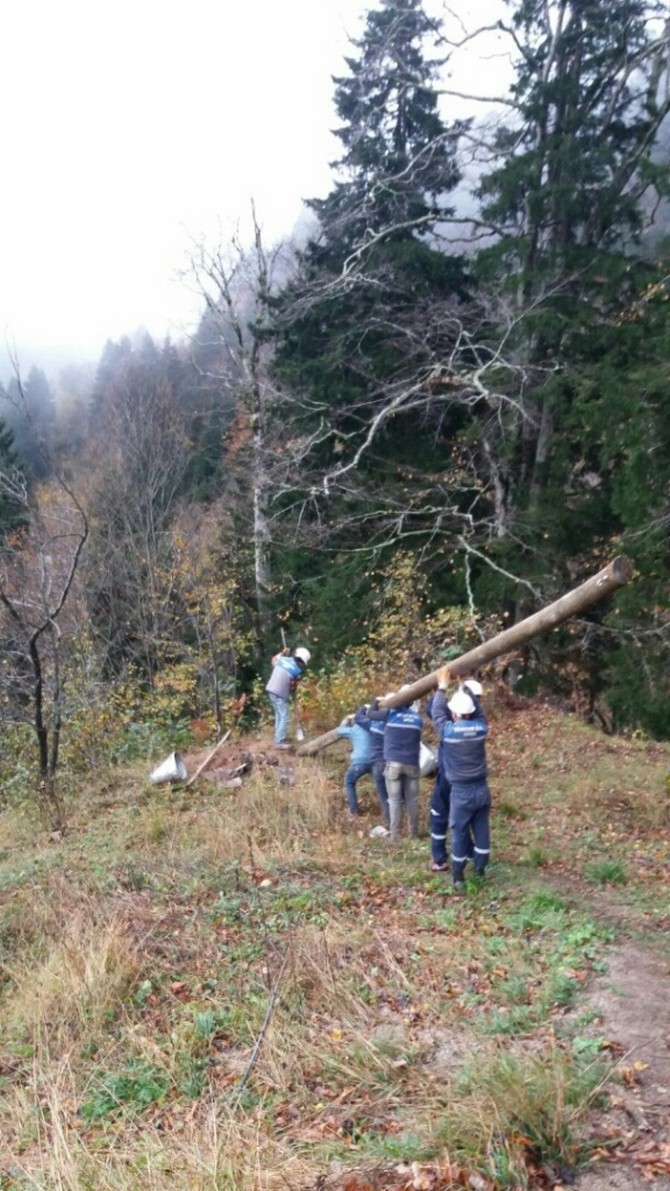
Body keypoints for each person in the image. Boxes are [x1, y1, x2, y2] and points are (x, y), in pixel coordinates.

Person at [430, 668, 490, 890]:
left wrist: (443, 687)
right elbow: (480, 712)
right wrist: (467, 691)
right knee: (482, 829)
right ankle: (481, 869)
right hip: (482, 789)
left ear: (453, 713)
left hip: (461, 792)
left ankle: (458, 877)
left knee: (459, 831)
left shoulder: (449, 732)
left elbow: (437, 712)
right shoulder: (481, 729)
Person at [367, 686, 423, 840]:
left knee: (394, 801)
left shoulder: (390, 714)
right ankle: (413, 834)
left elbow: (371, 714)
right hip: (412, 763)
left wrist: (377, 701)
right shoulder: (418, 719)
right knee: (412, 800)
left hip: (393, 764)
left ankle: (396, 835)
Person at [265, 646, 311, 748]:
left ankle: (278, 737)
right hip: (280, 694)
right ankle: (279, 742)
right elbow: (293, 686)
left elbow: (273, 660)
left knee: (279, 715)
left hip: (271, 690)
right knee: (285, 718)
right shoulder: (297, 671)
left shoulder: (282, 659)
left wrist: (283, 653)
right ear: (302, 661)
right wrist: (294, 690)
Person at [354, 702, 390, 828]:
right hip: (392, 762)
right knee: (396, 795)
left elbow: (358, 718)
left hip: (378, 763)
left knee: (384, 796)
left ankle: (390, 823)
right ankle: (400, 822)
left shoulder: (374, 724)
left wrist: (366, 707)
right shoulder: (393, 724)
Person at [336, 713, 373, 816]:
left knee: (349, 782)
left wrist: (346, 720)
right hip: (375, 762)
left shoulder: (355, 729)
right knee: (383, 784)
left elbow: (339, 731)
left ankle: (354, 810)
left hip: (359, 762)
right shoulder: (373, 727)